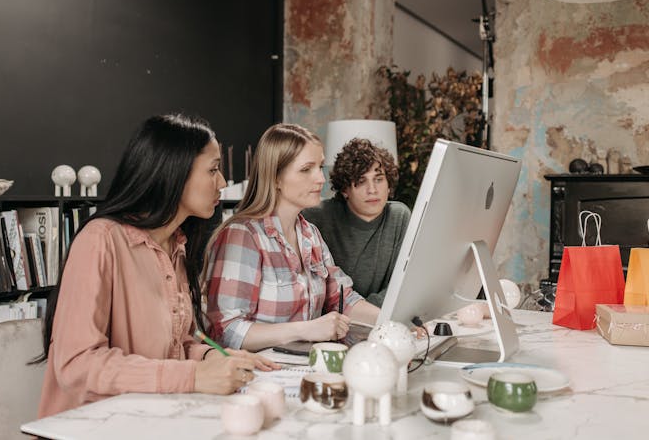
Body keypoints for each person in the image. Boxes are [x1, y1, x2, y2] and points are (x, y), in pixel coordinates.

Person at [37, 114, 278, 418]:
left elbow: (176, 346)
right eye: (214, 170)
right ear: (172, 173)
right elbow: (76, 365)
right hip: (91, 424)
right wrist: (194, 377)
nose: (222, 182)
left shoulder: (176, 246)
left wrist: (211, 359)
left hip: (152, 418)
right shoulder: (100, 241)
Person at [204, 124, 381, 351]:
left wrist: (392, 322)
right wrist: (305, 330)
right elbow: (225, 331)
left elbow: (342, 298)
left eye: (320, 167)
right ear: (276, 177)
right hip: (259, 378)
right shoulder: (242, 236)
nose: (320, 179)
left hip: (303, 372)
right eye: (306, 169)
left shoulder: (310, 234)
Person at [302, 138, 410, 307]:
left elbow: (402, 285)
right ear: (345, 189)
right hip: (332, 324)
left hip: (376, 321)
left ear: (389, 185)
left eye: (379, 179)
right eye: (361, 181)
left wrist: (362, 313)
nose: (372, 190)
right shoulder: (317, 217)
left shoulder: (399, 216)